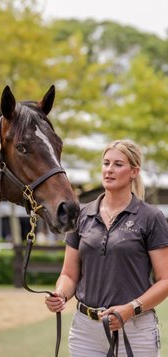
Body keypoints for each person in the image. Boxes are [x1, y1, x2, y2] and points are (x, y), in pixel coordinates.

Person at [45, 139, 168, 356]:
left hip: (135, 329)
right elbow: (69, 274)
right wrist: (61, 294)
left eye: (118, 164)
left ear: (134, 171)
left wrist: (130, 309)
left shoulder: (151, 218)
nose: (109, 170)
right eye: (106, 163)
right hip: (86, 331)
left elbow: (165, 280)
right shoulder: (82, 216)